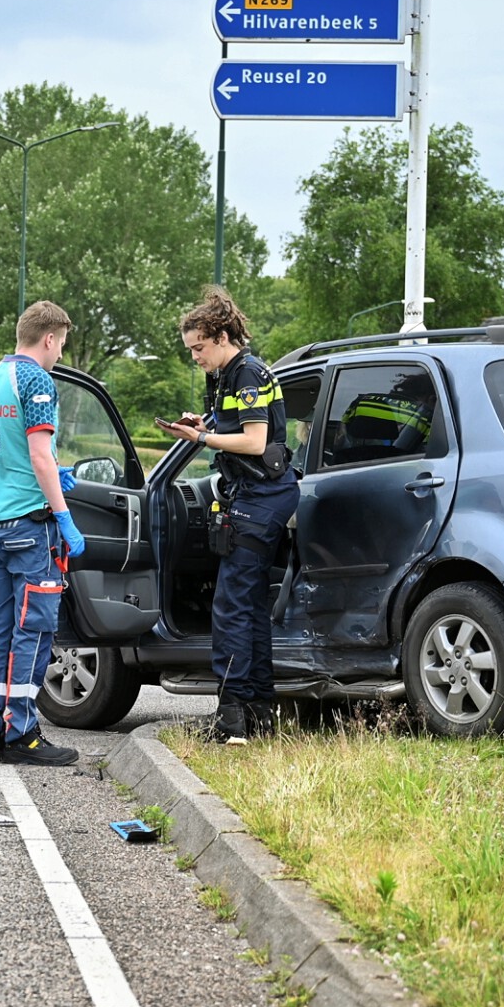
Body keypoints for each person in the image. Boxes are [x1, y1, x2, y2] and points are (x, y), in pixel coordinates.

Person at [161, 287, 300, 744]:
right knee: (250, 605)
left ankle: (232, 718)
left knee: (232, 606)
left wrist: (200, 441)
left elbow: (255, 442)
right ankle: (259, 710)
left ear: (221, 336)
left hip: (261, 497)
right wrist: (205, 427)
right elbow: (234, 428)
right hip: (258, 494)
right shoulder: (228, 375)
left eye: (198, 347)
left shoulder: (247, 373)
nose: (195, 357)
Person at [0, 300, 86, 766]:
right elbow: (38, 455)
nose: (59, 354)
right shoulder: (37, 379)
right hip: (31, 527)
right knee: (34, 630)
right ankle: (23, 734)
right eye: (61, 345)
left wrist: (53, 468)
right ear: (50, 338)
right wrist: (64, 515)